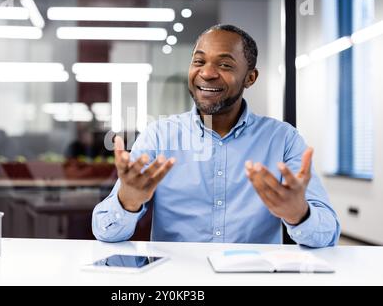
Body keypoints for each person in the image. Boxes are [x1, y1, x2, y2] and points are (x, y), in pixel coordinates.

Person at [92, 24, 340, 247]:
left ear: (250, 78)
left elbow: (328, 235)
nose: (207, 73)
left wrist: (299, 214)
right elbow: (105, 232)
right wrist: (128, 202)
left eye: (225, 65)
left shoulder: (283, 139)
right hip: (179, 283)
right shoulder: (159, 137)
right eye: (199, 62)